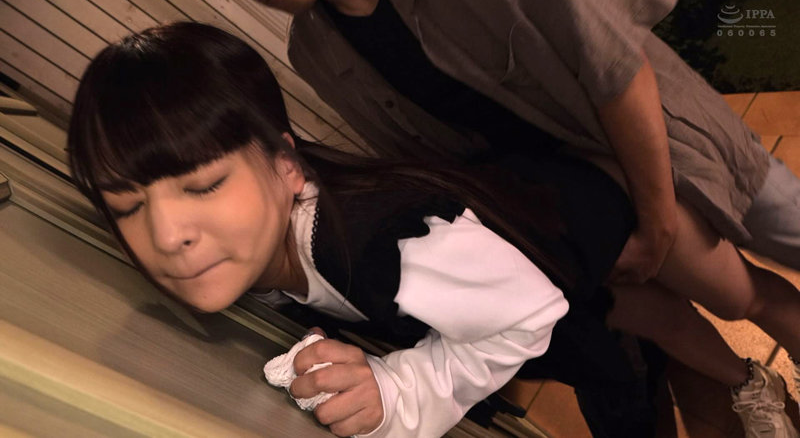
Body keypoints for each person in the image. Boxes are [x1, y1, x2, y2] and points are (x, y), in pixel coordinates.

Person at [67, 23, 800, 438]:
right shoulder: (282, 247)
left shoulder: (391, 245)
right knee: (647, 318)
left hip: (582, 212)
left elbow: (528, 311)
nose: (166, 233)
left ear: (287, 166)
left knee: (717, 305)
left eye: (202, 186)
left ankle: (749, 385)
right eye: (126, 206)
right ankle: (746, 382)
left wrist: (403, 385)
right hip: (535, 252)